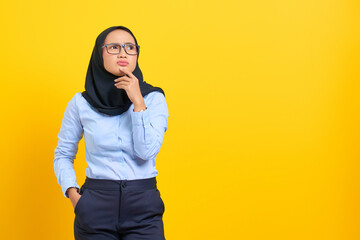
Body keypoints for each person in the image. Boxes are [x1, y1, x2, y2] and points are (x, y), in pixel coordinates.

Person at [53, 25, 169, 240]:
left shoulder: (153, 99)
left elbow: (146, 152)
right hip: (95, 205)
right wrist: (73, 194)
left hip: (143, 206)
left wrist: (138, 102)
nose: (123, 53)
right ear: (100, 53)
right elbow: (63, 154)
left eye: (130, 47)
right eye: (114, 47)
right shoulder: (80, 103)